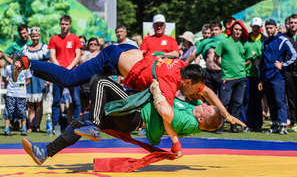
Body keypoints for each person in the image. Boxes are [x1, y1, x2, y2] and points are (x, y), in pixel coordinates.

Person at [12, 44, 245, 139]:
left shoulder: (184, 67)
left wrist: (226, 115)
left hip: (129, 53)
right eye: (196, 91)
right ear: (186, 82)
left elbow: (209, 94)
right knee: (67, 79)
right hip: (111, 58)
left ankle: (89, 118)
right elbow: (165, 112)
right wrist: (175, 140)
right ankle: (26, 62)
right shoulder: (166, 83)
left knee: (120, 95)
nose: (198, 95)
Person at [22, 75, 223, 165]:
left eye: (207, 108)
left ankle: (94, 125)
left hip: (134, 113)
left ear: (203, 120)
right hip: (132, 116)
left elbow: (165, 112)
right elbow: (198, 92)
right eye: (206, 103)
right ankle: (45, 153)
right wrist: (175, 142)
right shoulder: (192, 110)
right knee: (80, 121)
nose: (204, 104)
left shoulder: (190, 122)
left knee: (99, 81)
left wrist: (156, 91)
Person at [258, 19, 297, 134]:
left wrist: (283, 65)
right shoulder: (265, 42)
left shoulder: (283, 40)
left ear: (276, 28)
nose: (269, 30)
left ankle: (283, 125)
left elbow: (294, 55)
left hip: (278, 77)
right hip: (267, 77)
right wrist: (261, 79)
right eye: (267, 28)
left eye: (271, 28)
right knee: (270, 102)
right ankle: (275, 124)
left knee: (279, 101)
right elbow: (263, 62)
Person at [214, 20, 252, 134]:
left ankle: (233, 126)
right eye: (236, 29)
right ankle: (220, 125)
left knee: (238, 102)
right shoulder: (224, 42)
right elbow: (216, 58)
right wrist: (225, 67)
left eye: (240, 30)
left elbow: (249, 60)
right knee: (224, 102)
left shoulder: (246, 44)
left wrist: (241, 66)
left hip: (241, 77)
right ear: (231, 30)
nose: (238, 32)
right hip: (227, 77)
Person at [47, 15, 82, 127]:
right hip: (58, 73)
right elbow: (52, 56)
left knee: (76, 100)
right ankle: (55, 125)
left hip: (73, 73)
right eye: (62, 24)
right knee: (56, 100)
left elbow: (78, 56)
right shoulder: (54, 39)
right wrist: (61, 69)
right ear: (60, 24)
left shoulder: (75, 38)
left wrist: (68, 68)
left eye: (66, 24)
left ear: (70, 25)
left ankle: (76, 125)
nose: (64, 26)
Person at [240, 17, 267, 132]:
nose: (256, 28)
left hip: (259, 75)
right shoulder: (245, 39)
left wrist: (261, 61)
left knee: (257, 100)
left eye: (258, 26)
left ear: (261, 27)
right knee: (246, 100)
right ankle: (247, 124)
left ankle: (258, 125)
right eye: (254, 26)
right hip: (247, 74)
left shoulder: (265, 40)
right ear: (251, 26)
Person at [186, 20, 226, 98]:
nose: (214, 32)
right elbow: (194, 54)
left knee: (224, 98)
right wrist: (183, 64)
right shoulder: (206, 42)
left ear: (221, 30)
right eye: (212, 30)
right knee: (209, 97)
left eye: (216, 29)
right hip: (209, 73)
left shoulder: (225, 40)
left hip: (222, 72)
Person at [21, 27, 50, 133]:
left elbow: (47, 63)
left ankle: (37, 125)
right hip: (29, 77)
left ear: (40, 36)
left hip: (40, 77)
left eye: (37, 35)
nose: (35, 37)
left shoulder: (44, 48)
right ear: (30, 36)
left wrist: (48, 79)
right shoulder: (25, 48)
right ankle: (31, 125)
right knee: (29, 103)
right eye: (33, 35)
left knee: (39, 103)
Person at [2, 60, 32, 136]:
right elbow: (4, 78)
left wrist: (23, 86)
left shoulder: (25, 69)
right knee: (9, 111)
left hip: (21, 94)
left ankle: (24, 129)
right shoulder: (8, 68)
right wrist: (9, 85)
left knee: (22, 112)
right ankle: (6, 129)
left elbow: (29, 80)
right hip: (11, 93)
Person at [284, 14, 297, 132]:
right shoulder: (284, 37)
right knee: (291, 98)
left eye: (295, 22)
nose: (292, 24)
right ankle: (295, 123)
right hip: (289, 72)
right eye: (291, 22)